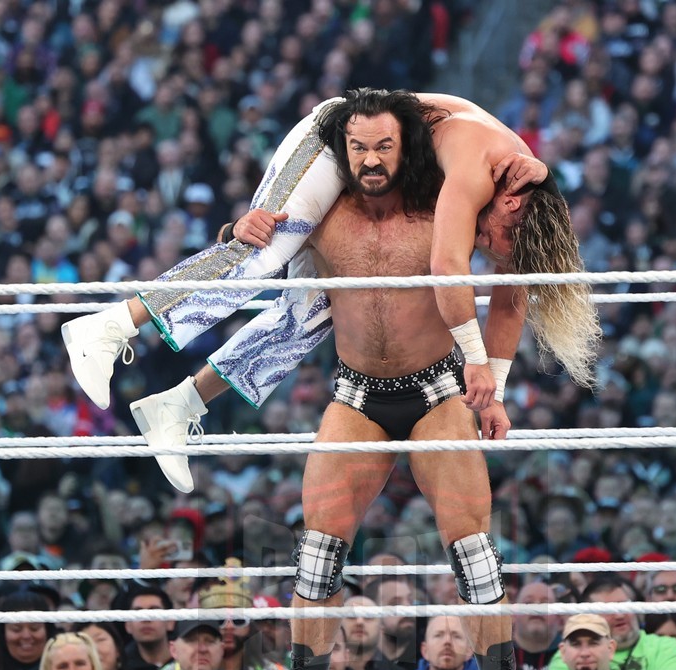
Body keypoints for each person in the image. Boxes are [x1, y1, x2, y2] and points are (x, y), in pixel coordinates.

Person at [63, 88, 596, 494]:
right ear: (512, 206)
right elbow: (448, 266)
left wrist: (495, 392)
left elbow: (512, 291)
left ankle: (179, 406)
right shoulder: (482, 172)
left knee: (320, 306)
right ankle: (110, 326)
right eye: (498, 239)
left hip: (385, 164)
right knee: (264, 246)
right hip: (342, 134)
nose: (491, 247)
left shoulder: (532, 202)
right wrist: (474, 360)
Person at [247, 90, 564, 670]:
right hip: (356, 395)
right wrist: (237, 228)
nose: (370, 160)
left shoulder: (453, 204)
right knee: (317, 556)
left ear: (403, 147)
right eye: (358, 148)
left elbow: (511, 288)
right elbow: (252, 248)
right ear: (343, 152)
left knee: (476, 559)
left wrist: (493, 392)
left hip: (437, 392)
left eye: (383, 147)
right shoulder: (320, 209)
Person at [548, 576, 676, 670]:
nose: (619, 615)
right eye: (608, 610)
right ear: (589, 616)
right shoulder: (569, 652)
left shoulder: (667, 647)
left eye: (624, 605)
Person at [160, 619, 225, 670]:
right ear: (173, 650)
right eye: (192, 640)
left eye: (210, 641)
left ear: (222, 650)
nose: (202, 649)